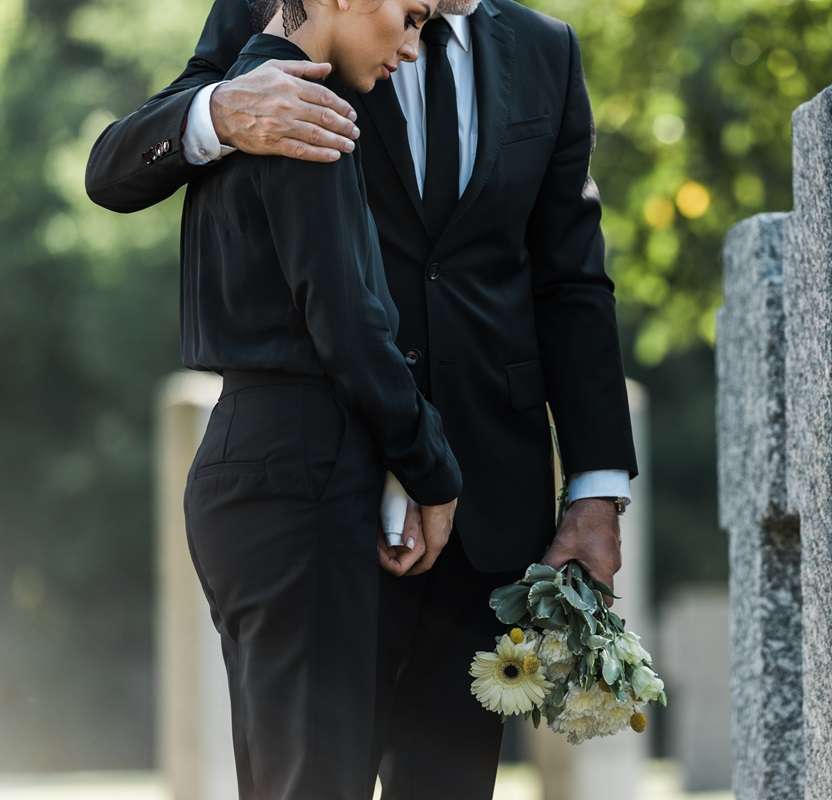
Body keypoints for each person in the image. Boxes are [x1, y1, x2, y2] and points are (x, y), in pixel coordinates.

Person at [85, 0, 639, 796]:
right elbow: (116, 168)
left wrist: (596, 490)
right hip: (321, 486)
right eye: (406, 20)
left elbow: (573, 279)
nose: (411, 47)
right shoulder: (278, 20)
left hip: (486, 503)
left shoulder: (544, 50)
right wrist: (221, 114)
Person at [178, 1, 458, 798]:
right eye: (409, 17)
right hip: (300, 467)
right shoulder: (305, 112)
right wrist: (433, 470)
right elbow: (348, 321)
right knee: (316, 780)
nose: (412, 47)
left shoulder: (245, 100)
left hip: (248, 457)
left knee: (287, 777)